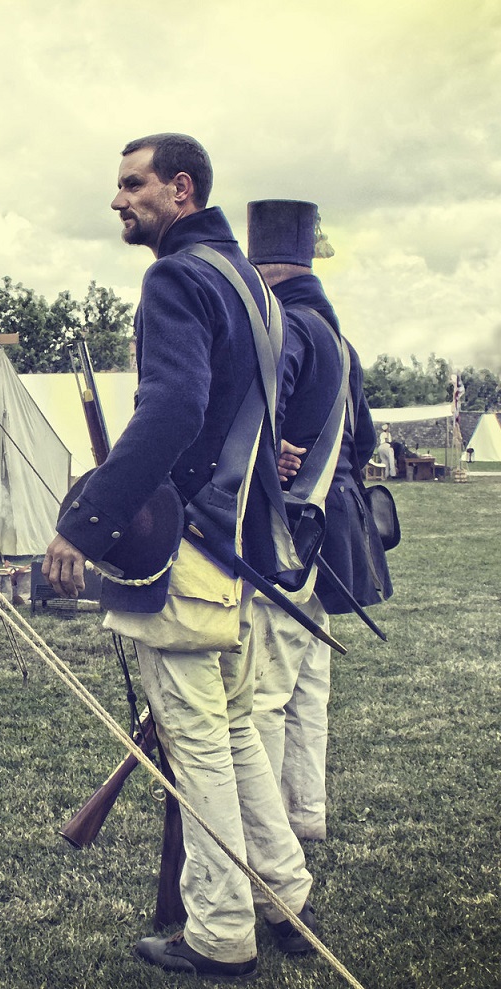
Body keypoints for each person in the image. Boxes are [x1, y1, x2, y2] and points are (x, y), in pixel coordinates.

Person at [44, 135, 315, 979]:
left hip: (196, 553)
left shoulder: (175, 276)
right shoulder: (254, 290)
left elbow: (171, 411)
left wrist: (86, 521)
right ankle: (284, 892)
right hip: (245, 555)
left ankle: (223, 932)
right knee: (232, 736)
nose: (120, 200)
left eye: (134, 184)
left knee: (199, 744)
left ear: (181, 190)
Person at [247, 200, 392, 843]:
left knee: (268, 694)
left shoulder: (287, 328)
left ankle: (272, 829)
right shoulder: (335, 335)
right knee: (307, 686)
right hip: (328, 527)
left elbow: (255, 427)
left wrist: (270, 458)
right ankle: (305, 814)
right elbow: (358, 444)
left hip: (291, 532)